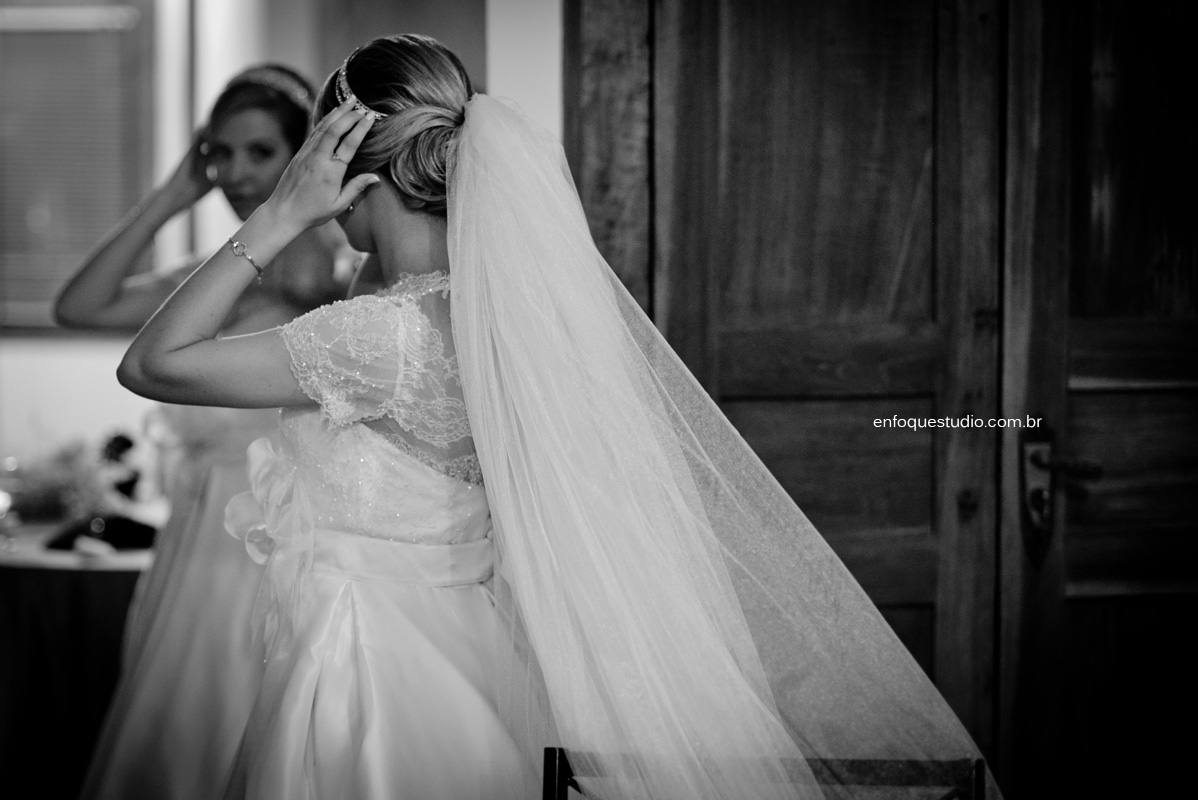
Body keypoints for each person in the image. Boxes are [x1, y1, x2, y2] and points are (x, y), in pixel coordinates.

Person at [119, 35, 999, 800]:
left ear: (347, 168)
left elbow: (152, 363)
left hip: (367, 670)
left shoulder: (374, 340)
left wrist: (278, 218)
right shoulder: (486, 313)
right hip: (468, 659)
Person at [56, 65, 352, 800]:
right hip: (191, 542)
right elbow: (79, 307)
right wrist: (170, 196)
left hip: (275, 538)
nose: (236, 174)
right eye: (220, 154)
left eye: (259, 152)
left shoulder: (351, 281)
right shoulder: (211, 283)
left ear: (300, 157)